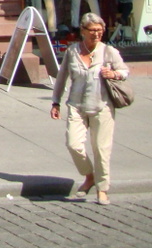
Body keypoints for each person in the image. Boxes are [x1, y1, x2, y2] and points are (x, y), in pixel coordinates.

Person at [51, 12, 128, 205]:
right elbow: (61, 78)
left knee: (101, 150)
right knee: (73, 144)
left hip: (102, 106)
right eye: (93, 30)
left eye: (100, 30)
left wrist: (114, 74)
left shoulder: (108, 51)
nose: (97, 34)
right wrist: (55, 102)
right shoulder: (72, 51)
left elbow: (124, 71)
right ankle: (89, 176)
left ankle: (102, 189)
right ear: (83, 31)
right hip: (76, 106)